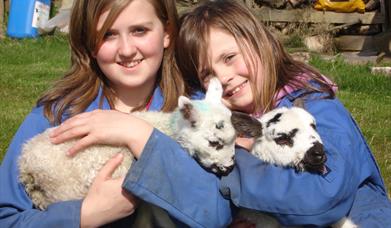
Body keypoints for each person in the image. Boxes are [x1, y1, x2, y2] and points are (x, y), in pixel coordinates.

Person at [172, 0, 391, 227]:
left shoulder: (315, 106)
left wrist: (237, 162)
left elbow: (319, 197)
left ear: (259, 43)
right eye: (208, 74)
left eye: (229, 58)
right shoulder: (223, 125)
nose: (224, 76)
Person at [0, 0, 193, 227]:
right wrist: (83, 215)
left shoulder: (195, 112)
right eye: (108, 34)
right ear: (90, 43)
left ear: (167, 33)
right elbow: (6, 216)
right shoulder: (55, 116)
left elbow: (222, 205)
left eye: (140, 30)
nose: (127, 50)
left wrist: (138, 133)